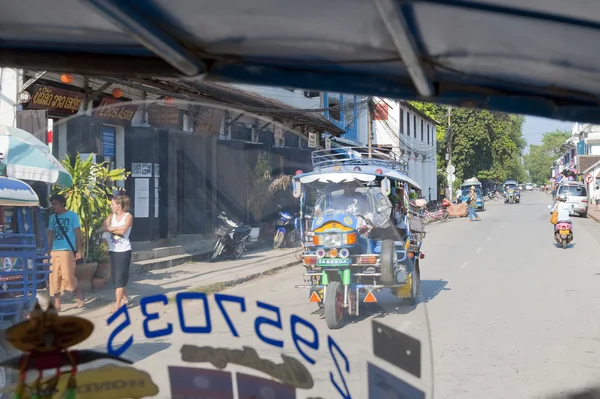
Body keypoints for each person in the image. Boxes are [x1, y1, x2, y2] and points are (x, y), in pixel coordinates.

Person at [47, 193, 85, 311]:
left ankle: (79, 295)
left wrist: (79, 249)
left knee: (68, 276)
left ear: (62, 204)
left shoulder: (72, 216)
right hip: (54, 250)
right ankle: (57, 303)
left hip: (67, 250)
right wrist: (47, 251)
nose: (54, 206)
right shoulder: (52, 218)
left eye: (56, 204)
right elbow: (50, 235)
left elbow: (78, 233)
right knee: (54, 277)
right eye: (52, 204)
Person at [102, 195, 134, 313]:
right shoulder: (110, 216)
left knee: (120, 278)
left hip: (124, 250)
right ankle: (126, 299)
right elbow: (103, 229)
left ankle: (117, 306)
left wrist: (110, 228)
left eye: (112, 204)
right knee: (116, 278)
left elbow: (123, 231)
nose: (111, 206)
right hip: (113, 250)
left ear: (119, 205)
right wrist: (114, 228)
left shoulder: (128, 216)